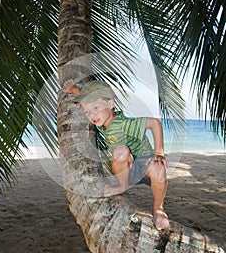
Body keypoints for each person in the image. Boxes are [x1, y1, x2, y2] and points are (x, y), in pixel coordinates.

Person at [64, 79, 170, 230]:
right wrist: (74, 90)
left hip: (145, 168)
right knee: (120, 153)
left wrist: (159, 153)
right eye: (87, 111)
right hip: (128, 169)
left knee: (157, 167)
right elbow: (90, 101)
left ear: (111, 105)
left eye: (95, 108)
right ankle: (123, 184)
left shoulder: (122, 124)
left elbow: (154, 123)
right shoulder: (103, 119)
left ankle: (158, 207)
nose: (91, 115)